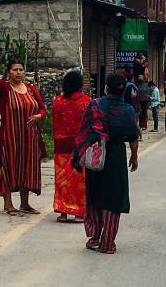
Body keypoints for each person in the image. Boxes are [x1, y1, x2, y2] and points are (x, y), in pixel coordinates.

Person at [72, 73, 139, 254]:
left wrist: (78, 155)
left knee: (95, 196)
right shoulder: (128, 110)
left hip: (96, 156)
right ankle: (108, 243)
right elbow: (133, 136)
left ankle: (94, 238)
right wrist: (134, 157)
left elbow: (84, 132)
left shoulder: (95, 105)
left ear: (106, 88)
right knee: (114, 199)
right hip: (116, 156)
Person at [0, 49, 46, 217]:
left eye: (21, 69)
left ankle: (25, 204)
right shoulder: (4, 89)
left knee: (26, 168)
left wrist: (39, 115)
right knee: (8, 167)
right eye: (14, 70)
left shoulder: (31, 89)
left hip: (30, 138)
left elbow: (42, 108)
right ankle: (8, 204)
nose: (18, 72)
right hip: (9, 137)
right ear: (9, 72)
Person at [52, 70, 91, 223]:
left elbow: (55, 125)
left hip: (60, 146)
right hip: (80, 147)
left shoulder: (57, 101)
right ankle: (79, 212)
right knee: (78, 180)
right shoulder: (86, 102)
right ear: (80, 85)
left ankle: (62, 211)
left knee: (61, 178)